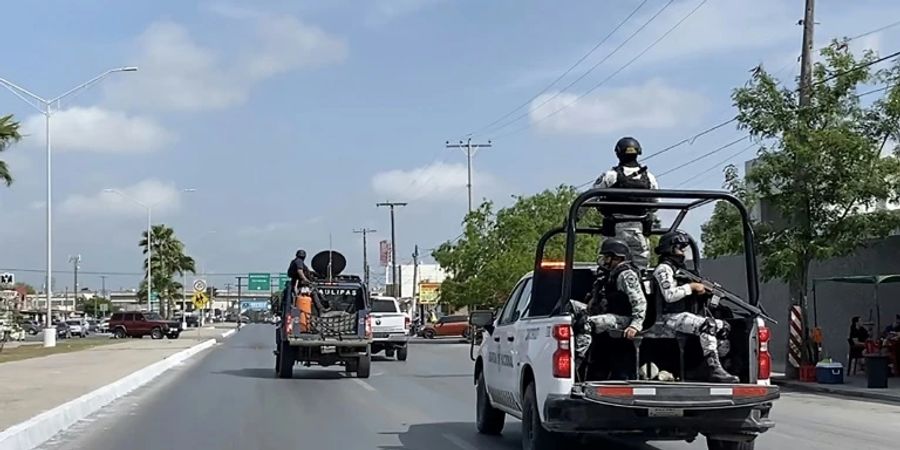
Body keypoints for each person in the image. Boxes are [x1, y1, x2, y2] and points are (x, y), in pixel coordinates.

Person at [652, 231, 739, 383]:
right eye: (680, 248)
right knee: (708, 325)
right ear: (670, 249)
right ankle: (714, 369)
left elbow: (707, 301)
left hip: (684, 316)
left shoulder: (681, 270)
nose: (683, 252)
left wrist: (708, 293)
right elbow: (670, 295)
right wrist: (691, 287)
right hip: (669, 317)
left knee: (724, 326)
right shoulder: (664, 269)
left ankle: (704, 367)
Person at [573, 239, 648, 365]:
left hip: (624, 318)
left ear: (618, 258)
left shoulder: (626, 275)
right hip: (611, 314)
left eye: (608, 257)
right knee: (571, 307)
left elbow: (639, 301)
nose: (605, 261)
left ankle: (578, 361)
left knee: (585, 324)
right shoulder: (609, 275)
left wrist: (635, 324)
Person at [592, 137, 659, 270]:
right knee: (641, 270)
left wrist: (570, 220)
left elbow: (589, 198)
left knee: (607, 268)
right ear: (638, 152)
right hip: (639, 231)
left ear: (618, 153)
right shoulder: (650, 177)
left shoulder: (610, 175)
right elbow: (656, 204)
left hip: (614, 230)